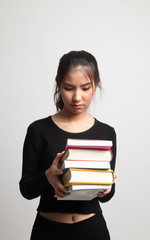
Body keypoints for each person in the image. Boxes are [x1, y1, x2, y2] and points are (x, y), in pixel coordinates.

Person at [19, 50, 117, 240]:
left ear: (95, 86)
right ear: (59, 85)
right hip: (48, 230)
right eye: (69, 88)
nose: (77, 97)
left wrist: (107, 188)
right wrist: (47, 176)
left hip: (92, 230)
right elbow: (26, 190)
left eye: (85, 88)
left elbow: (107, 196)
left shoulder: (107, 132)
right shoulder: (38, 130)